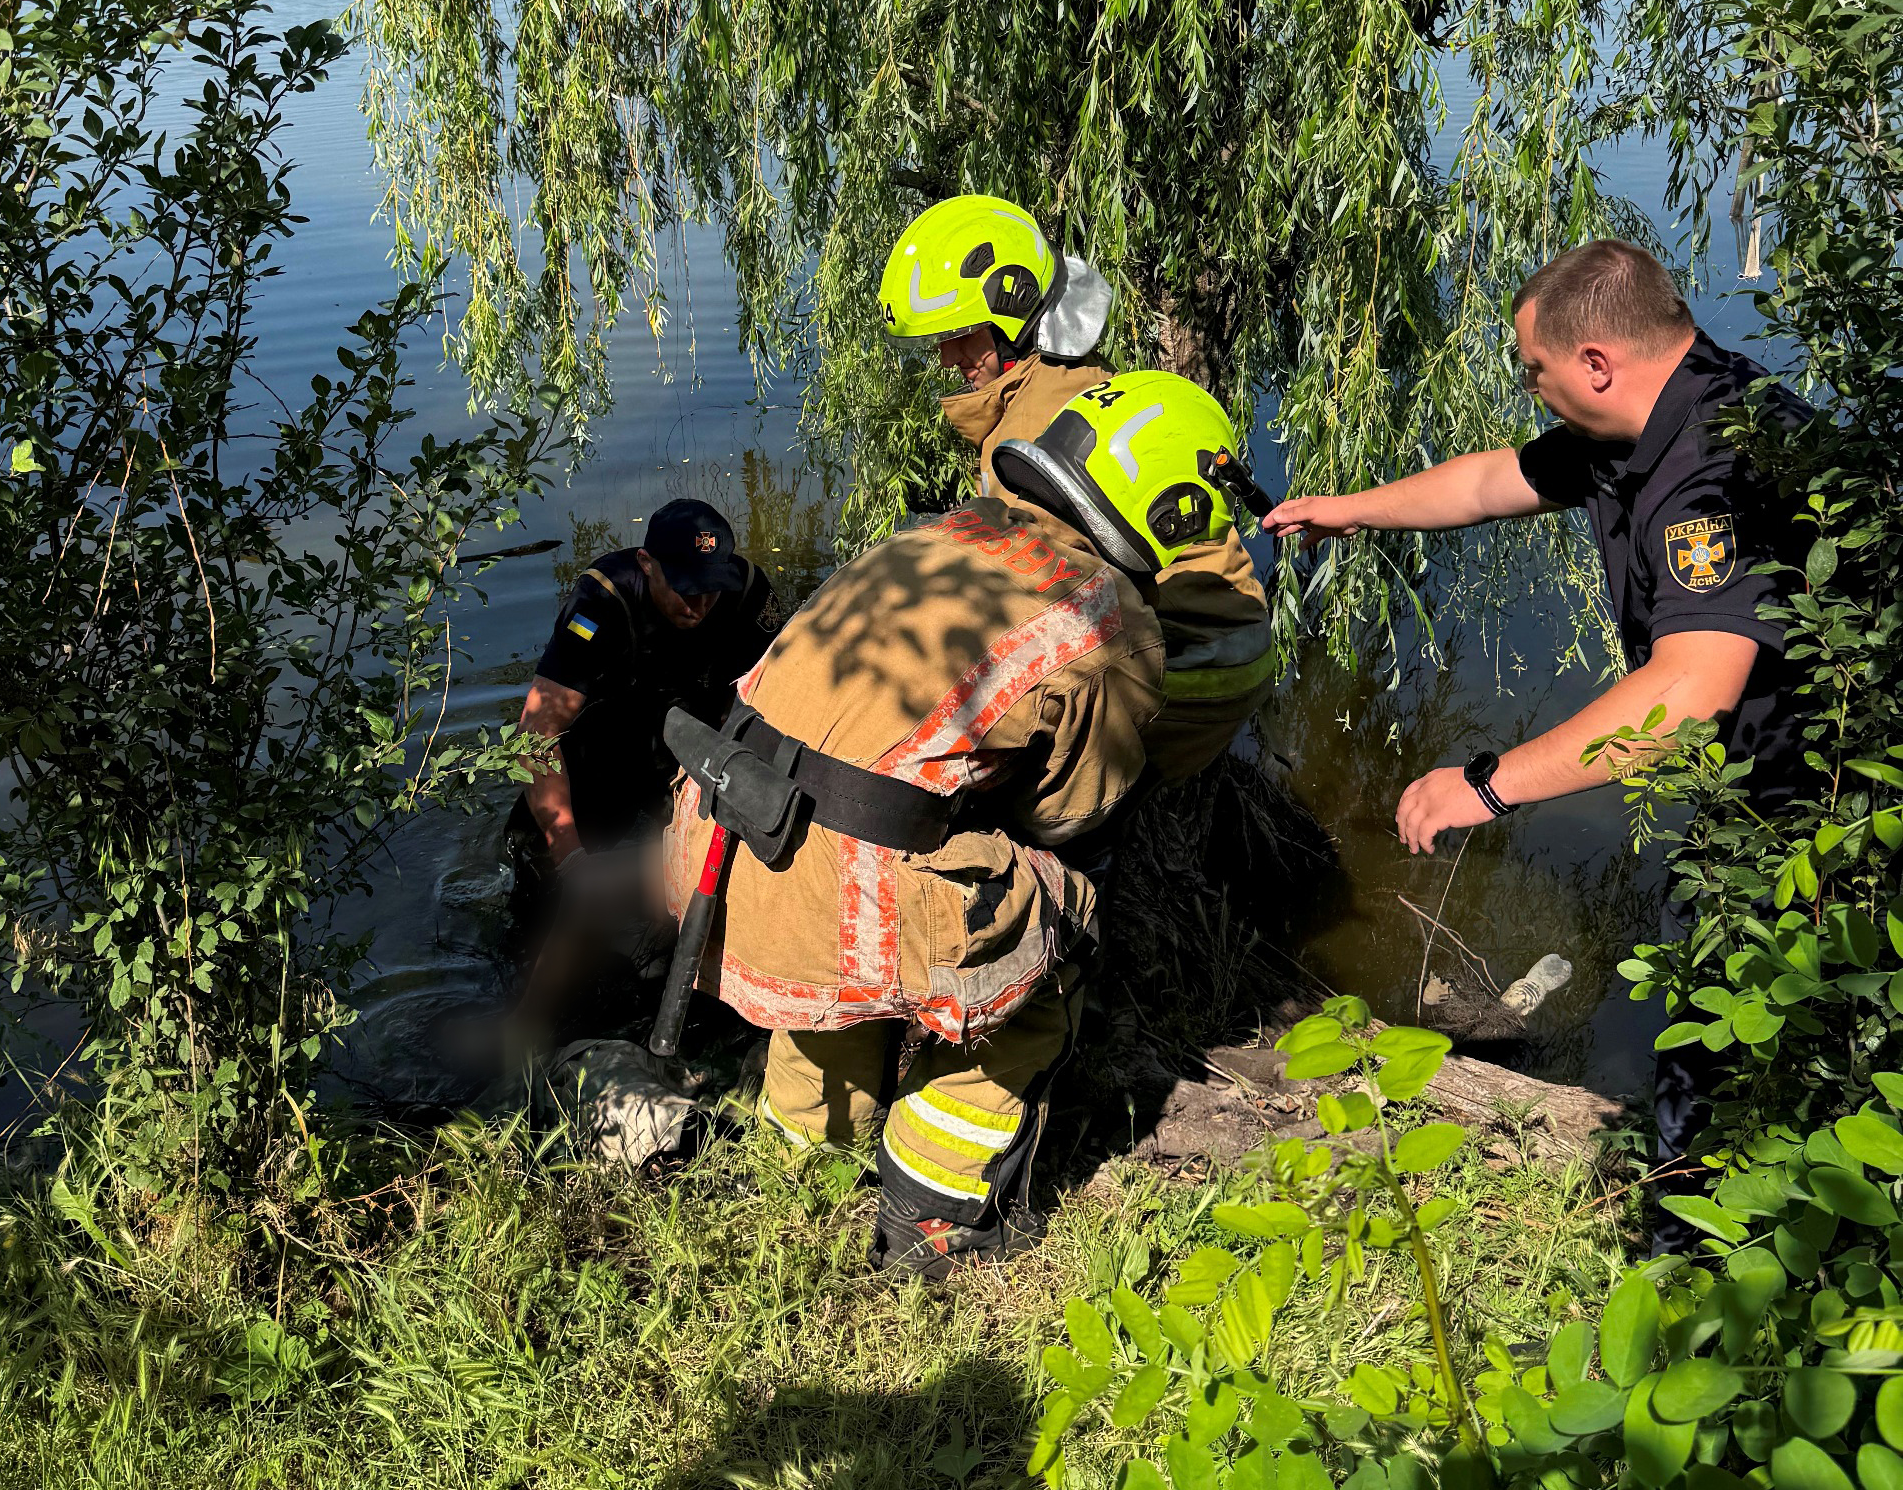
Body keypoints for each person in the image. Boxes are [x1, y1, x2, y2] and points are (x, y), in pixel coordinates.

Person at [1262, 238, 1813, 1243]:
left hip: (1824, 791)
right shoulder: (1642, 418)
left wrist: (1489, 782)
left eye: (1537, 372)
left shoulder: (1710, 476)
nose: (1534, 393)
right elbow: (1488, 483)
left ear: (1596, 362)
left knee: (1722, 1011)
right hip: (1772, 772)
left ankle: (1685, 1261)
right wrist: (1346, 512)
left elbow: (1687, 691)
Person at [660, 372, 1251, 1276]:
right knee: (1057, 932)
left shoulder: (944, 530)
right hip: (829, 889)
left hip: (718, 838)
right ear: (1169, 508)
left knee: (850, 919)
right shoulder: (1105, 617)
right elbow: (1068, 813)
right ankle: (929, 1216)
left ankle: (803, 1158)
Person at [879, 196, 1274, 783]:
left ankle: (1088, 851)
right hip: (1220, 647)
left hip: (1197, 669)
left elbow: (1024, 595)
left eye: (961, 335)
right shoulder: (1062, 381)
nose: (946, 358)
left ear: (1013, 315)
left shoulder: (1034, 426)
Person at [511, 499, 784, 874]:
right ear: (646, 563)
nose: (699, 605)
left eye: (712, 588)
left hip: (695, 746)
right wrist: (571, 861)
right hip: (607, 747)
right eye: (685, 589)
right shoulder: (602, 600)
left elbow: (777, 705)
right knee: (537, 869)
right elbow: (536, 734)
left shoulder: (749, 590)